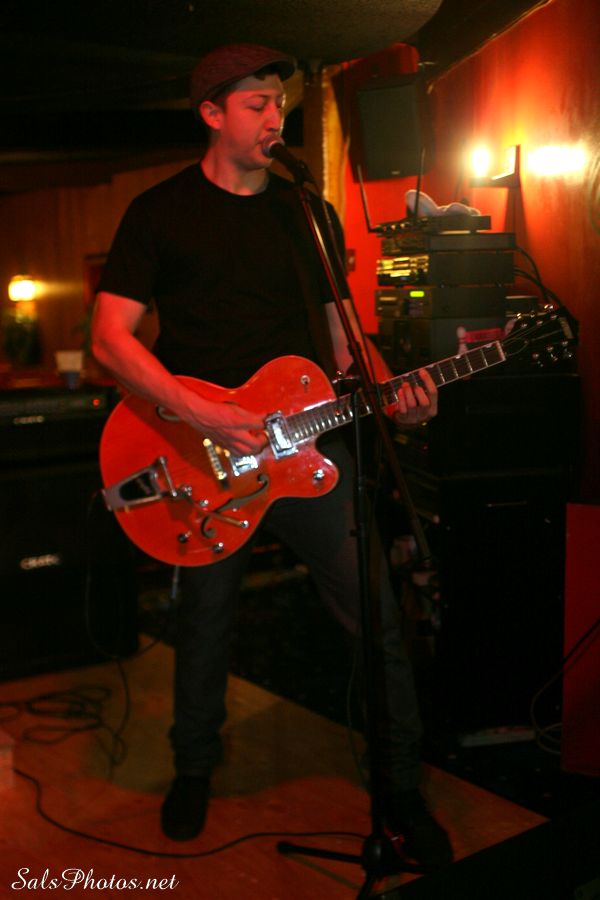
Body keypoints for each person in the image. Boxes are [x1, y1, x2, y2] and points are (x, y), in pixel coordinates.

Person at [91, 42, 452, 868]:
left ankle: (401, 791)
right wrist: (205, 413)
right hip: (202, 455)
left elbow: (342, 336)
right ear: (211, 114)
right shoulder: (158, 212)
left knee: (376, 617)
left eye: (278, 104)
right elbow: (110, 340)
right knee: (205, 621)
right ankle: (193, 768)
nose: (272, 118)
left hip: (305, 448)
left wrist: (393, 384)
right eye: (255, 104)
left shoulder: (305, 211)